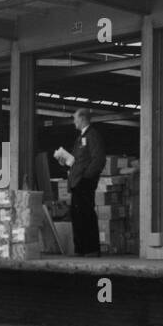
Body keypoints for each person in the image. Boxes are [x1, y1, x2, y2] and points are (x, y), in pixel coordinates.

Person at [64, 107, 106, 256]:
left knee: (86, 213)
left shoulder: (92, 136)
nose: (74, 122)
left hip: (84, 182)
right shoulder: (80, 138)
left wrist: (87, 177)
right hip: (76, 183)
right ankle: (80, 249)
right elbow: (78, 160)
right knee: (77, 215)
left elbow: (99, 159)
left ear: (82, 119)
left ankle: (91, 249)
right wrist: (66, 161)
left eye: (75, 118)